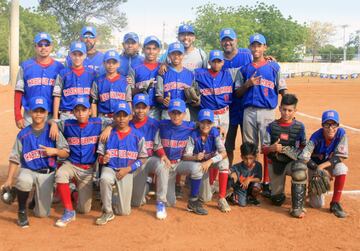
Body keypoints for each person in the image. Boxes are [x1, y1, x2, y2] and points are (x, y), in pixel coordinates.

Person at [1, 96, 69, 228]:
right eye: (35, 111)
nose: (38, 114)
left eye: (41, 111)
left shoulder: (53, 131)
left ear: (46, 113)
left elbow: (66, 152)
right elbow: (15, 157)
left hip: (47, 174)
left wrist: (54, 151)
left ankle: (34, 198)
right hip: (29, 170)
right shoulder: (23, 134)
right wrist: (9, 179)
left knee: (42, 214)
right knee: (24, 180)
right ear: (30, 112)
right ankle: (21, 210)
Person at [235, 33, 287, 197]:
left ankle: (267, 181)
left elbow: (282, 89)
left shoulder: (274, 67)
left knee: (268, 147)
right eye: (253, 45)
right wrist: (248, 84)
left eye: (259, 45)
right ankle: (253, 180)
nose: (256, 48)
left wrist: (287, 109)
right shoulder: (244, 69)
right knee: (250, 147)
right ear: (250, 47)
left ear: (265, 47)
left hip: (267, 111)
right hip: (249, 111)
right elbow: (237, 93)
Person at [49, 97, 112, 227]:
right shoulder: (68, 124)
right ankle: (68, 211)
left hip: (88, 170)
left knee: (84, 209)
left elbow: (117, 121)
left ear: (89, 111)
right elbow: (50, 120)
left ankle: (73, 192)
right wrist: (54, 124)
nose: (80, 113)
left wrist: (109, 128)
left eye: (84, 110)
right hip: (71, 164)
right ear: (73, 112)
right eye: (77, 110)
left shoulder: (98, 123)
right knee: (61, 174)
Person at [96, 101, 147, 225]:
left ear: (130, 117)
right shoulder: (107, 134)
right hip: (111, 168)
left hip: (127, 171)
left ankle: (111, 197)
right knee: (105, 179)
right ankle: (107, 211)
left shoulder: (138, 136)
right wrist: (103, 159)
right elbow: (100, 156)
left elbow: (143, 158)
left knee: (124, 212)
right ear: (113, 117)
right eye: (118, 115)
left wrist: (128, 169)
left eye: (125, 115)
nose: (121, 118)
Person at [153, 99, 206, 219]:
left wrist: (217, 130)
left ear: (184, 114)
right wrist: (163, 155)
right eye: (173, 113)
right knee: (170, 202)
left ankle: (193, 200)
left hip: (180, 163)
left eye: (179, 113)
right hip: (166, 164)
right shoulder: (161, 124)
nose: (176, 116)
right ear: (169, 113)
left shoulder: (190, 126)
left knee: (198, 168)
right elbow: (156, 143)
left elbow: (205, 125)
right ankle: (160, 201)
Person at [262, 94, 307, 218]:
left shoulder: (300, 127)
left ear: (295, 111)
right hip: (275, 163)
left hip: (291, 162)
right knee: (277, 201)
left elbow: (304, 148)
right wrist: (272, 148)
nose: (286, 113)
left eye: (290, 110)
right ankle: (277, 193)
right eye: (284, 109)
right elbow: (263, 149)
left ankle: (297, 207)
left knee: (300, 171)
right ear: (280, 108)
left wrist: (295, 153)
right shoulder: (271, 126)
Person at [298, 110, 349, 218]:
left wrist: (323, 168)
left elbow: (341, 156)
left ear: (338, 125)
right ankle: (311, 192)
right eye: (327, 124)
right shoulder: (315, 137)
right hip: (314, 169)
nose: (331, 128)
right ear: (322, 126)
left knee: (342, 168)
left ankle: (335, 203)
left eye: (333, 124)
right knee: (317, 204)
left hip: (328, 166)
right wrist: (319, 169)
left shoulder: (341, 133)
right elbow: (304, 157)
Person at [182, 109, 230, 212]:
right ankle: (206, 186)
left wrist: (210, 161)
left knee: (224, 162)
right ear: (198, 123)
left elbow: (224, 153)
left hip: (209, 162)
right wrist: (195, 157)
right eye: (203, 122)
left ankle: (222, 198)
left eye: (208, 122)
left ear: (212, 124)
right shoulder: (193, 135)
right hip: (199, 166)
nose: (205, 125)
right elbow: (185, 156)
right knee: (205, 198)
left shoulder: (214, 132)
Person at [14, 32, 64, 128]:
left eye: (47, 44)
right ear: (35, 47)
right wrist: (17, 115)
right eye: (40, 45)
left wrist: (58, 116)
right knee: (30, 141)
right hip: (30, 115)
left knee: (49, 142)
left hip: (50, 114)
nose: (43, 47)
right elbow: (18, 92)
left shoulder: (59, 67)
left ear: (51, 47)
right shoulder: (25, 66)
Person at [220, 28, 252, 169]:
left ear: (236, 40)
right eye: (224, 40)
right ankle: (228, 175)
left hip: (246, 105)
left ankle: (249, 174)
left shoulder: (247, 54)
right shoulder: (218, 59)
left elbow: (260, 60)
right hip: (228, 108)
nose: (228, 42)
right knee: (228, 145)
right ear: (221, 42)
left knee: (249, 145)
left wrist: (269, 58)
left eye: (230, 39)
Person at [53, 41, 96, 121]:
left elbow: (94, 98)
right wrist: (55, 118)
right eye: (74, 54)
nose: (77, 57)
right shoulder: (63, 73)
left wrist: (93, 117)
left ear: (85, 55)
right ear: (70, 55)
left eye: (80, 54)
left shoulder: (92, 73)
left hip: (85, 115)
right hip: (67, 114)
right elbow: (57, 95)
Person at [155, 42, 194, 121]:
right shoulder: (162, 72)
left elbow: (193, 97)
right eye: (173, 54)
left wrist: (194, 99)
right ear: (169, 55)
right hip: (167, 111)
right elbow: (158, 96)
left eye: (179, 54)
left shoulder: (190, 74)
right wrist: (163, 100)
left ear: (183, 55)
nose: (176, 57)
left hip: (184, 111)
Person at [128, 36, 162, 120]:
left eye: (154, 48)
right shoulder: (135, 68)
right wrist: (143, 86)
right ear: (143, 49)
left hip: (156, 110)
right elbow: (130, 92)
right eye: (148, 48)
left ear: (159, 50)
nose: (151, 51)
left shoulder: (162, 68)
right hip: (139, 109)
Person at [91, 50, 132, 118]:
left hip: (120, 117)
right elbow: (94, 102)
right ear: (104, 63)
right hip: (103, 116)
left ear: (118, 64)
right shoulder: (98, 81)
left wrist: (130, 117)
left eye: (114, 62)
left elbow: (128, 101)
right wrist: (94, 119)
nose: (111, 65)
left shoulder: (124, 81)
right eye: (108, 62)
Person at [227, 142, 262, 207]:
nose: (248, 161)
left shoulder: (258, 165)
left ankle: (252, 197)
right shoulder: (237, 166)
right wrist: (231, 175)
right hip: (240, 188)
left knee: (257, 187)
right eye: (246, 158)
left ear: (255, 157)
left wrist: (248, 179)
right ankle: (232, 196)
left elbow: (259, 179)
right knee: (242, 204)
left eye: (251, 158)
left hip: (251, 185)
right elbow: (228, 172)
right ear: (242, 157)